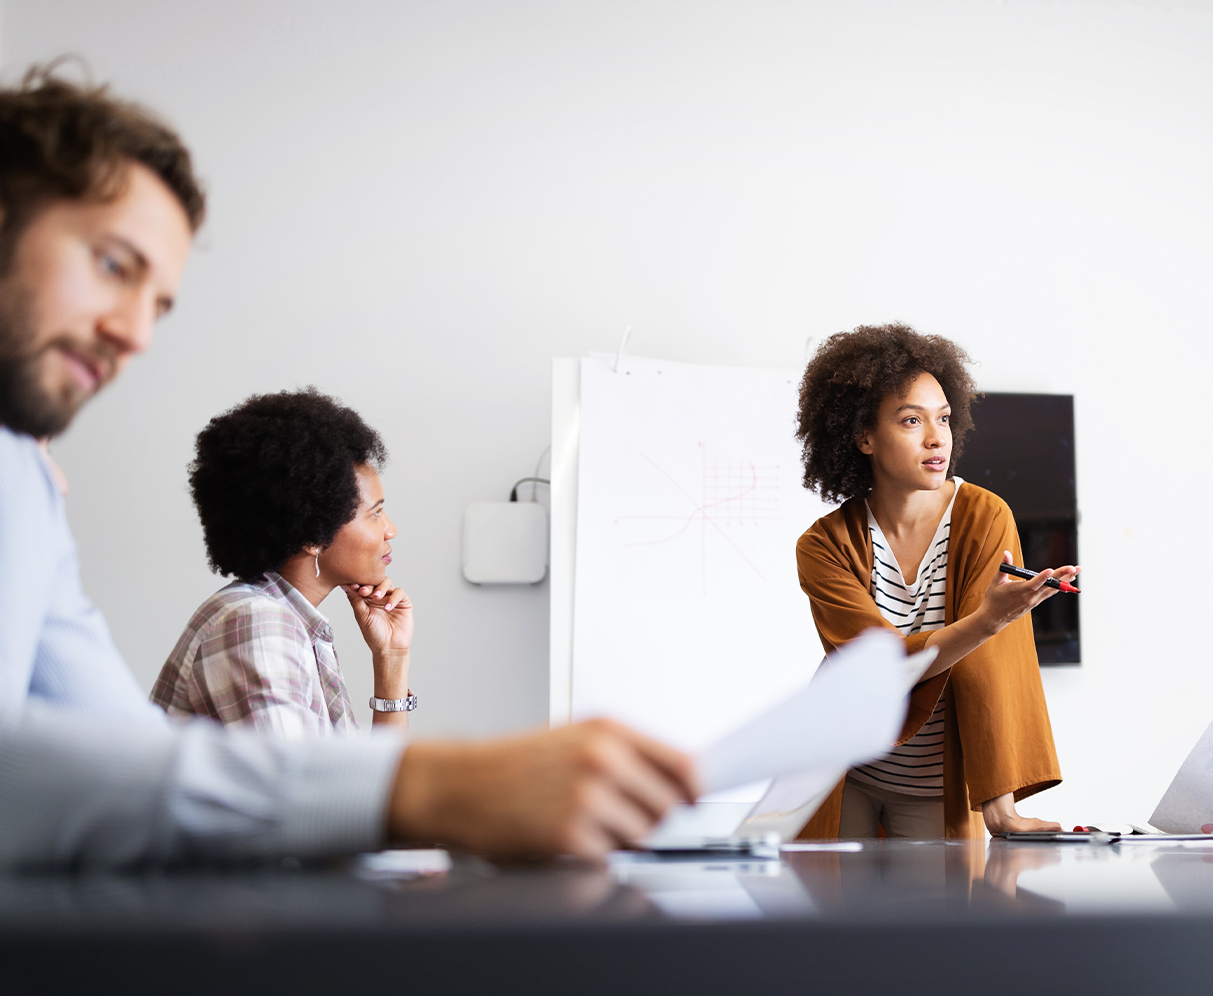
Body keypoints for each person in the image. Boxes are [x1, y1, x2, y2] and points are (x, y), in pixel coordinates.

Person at [0, 66, 694, 867]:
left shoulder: (22, 475)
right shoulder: (255, 619)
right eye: (115, 265)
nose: (135, 335)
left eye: (158, 305)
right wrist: (436, 786)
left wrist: (396, 695)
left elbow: (109, 756)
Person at [791, 324, 1073, 838]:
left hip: (939, 786)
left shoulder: (985, 515)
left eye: (943, 418)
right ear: (863, 436)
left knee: (939, 916)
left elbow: (989, 663)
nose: (935, 437)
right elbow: (880, 666)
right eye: (911, 420)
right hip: (844, 771)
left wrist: (1000, 807)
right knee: (830, 911)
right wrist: (987, 620)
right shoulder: (824, 545)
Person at [151, 389, 417, 735]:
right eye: (375, 513)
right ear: (312, 534)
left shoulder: (291, 622)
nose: (391, 530)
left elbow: (371, 783)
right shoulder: (256, 622)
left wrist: (391, 658)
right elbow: (301, 787)